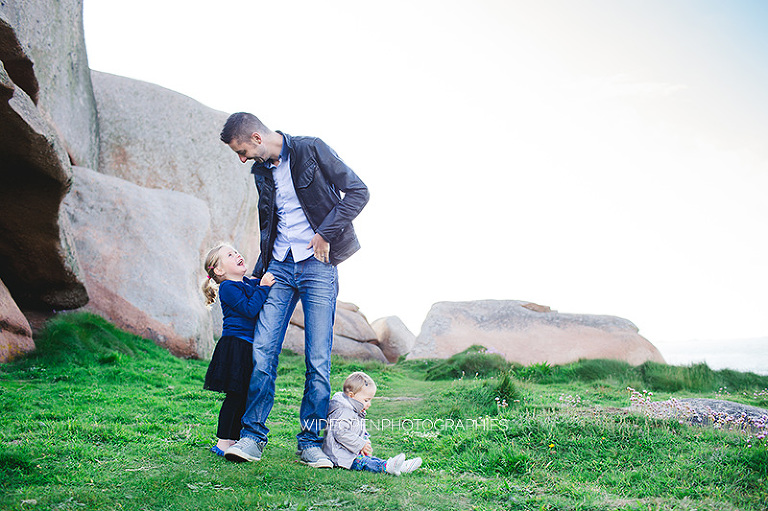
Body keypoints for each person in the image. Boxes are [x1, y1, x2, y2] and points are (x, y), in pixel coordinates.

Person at [219, 113, 370, 467]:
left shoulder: (311, 149)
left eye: (242, 151)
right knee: (262, 351)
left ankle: (311, 443)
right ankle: (252, 437)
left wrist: (325, 232)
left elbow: (359, 191)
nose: (242, 159)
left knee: (318, 359)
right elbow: (268, 221)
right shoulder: (260, 171)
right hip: (280, 267)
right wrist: (262, 269)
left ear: (256, 138)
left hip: (319, 265)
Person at [201, 243, 275, 456]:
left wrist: (258, 283)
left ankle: (237, 439)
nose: (237, 254)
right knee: (234, 395)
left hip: (248, 345)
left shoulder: (244, 283)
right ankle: (223, 442)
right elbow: (249, 309)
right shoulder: (228, 288)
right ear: (219, 270)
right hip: (235, 346)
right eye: (230, 255)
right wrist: (263, 287)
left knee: (244, 395)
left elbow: (253, 290)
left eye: (236, 252)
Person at [323, 372, 422, 475]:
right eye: (366, 400)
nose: (369, 404)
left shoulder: (355, 409)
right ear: (352, 396)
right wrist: (360, 444)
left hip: (350, 452)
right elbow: (340, 432)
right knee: (364, 463)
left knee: (369, 460)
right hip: (340, 455)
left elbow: (358, 430)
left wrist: (365, 440)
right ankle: (387, 467)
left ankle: (400, 466)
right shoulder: (344, 410)